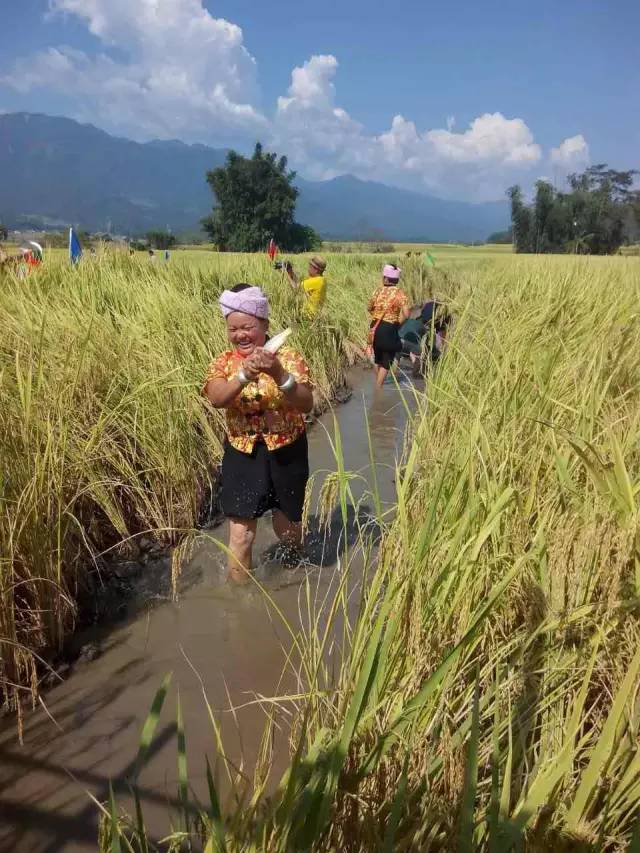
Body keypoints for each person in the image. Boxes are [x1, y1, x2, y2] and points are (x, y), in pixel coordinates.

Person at [203, 284, 314, 580]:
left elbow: (306, 403)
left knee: (287, 528)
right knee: (241, 536)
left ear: (264, 323)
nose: (241, 334)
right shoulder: (224, 362)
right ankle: (240, 608)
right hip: (243, 453)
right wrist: (243, 375)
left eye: (248, 327)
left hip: (287, 450)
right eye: (233, 328)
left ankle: (296, 576)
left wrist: (277, 373)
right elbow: (216, 398)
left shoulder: (288, 358)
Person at [367, 263, 410, 387]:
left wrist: (377, 314)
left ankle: (378, 383)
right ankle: (378, 388)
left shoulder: (377, 291)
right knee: (387, 362)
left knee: (378, 358)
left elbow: (369, 308)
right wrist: (397, 322)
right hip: (389, 328)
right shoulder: (400, 294)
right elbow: (407, 314)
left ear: (385, 278)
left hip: (374, 327)